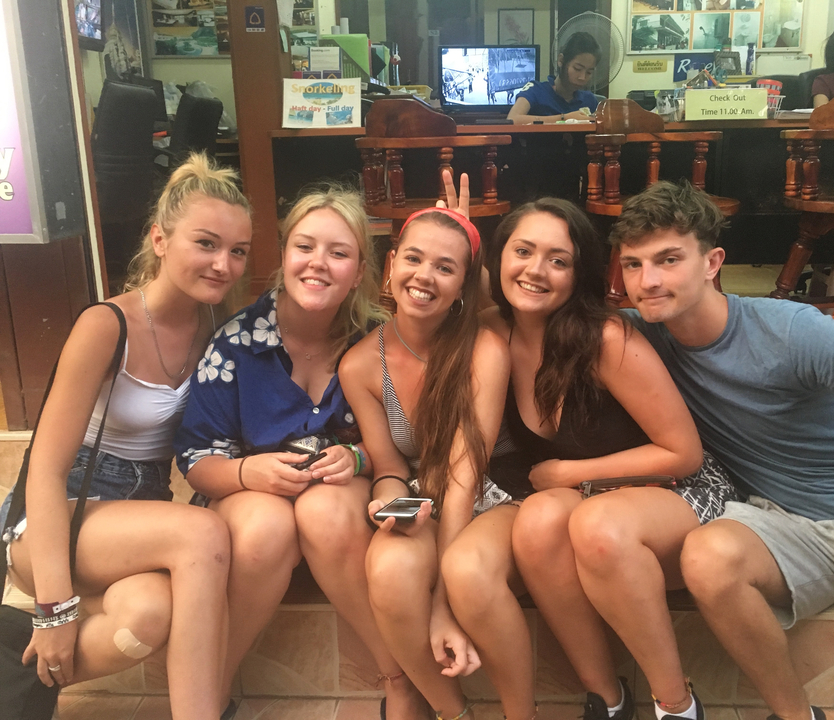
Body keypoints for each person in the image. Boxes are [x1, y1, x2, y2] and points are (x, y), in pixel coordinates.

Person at [610, 180, 834, 720]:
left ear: (712, 263)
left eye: (668, 259)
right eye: (633, 265)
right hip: (786, 527)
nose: (648, 281)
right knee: (708, 558)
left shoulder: (792, 330)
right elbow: (534, 317)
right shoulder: (634, 339)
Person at [0, 154, 252, 720]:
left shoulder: (219, 327)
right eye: (206, 244)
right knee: (200, 535)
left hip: (140, 514)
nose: (223, 264)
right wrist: (54, 608)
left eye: (238, 251)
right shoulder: (105, 325)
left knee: (148, 617)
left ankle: (17, 671)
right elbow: (43, 470)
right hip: (57, 516)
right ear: (159, 240)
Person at [173, 187, 423, 720]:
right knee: (266, 526)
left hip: (338, 503)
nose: (318, 263)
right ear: (284, 255)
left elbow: (407, 445)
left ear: (359, 272)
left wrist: (357, 458)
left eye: (339, 252)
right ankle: (211, 692)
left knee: (321, 511)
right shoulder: (235, 344)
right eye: (305, 246)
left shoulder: (380, 341)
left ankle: (399, 678)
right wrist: (247, 471)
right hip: (249, 500)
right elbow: (197, 460)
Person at [484, 198, 738, 720]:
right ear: (499, 257)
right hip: (591, 495)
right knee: (537, 522)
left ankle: (677, 705)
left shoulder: (605, 338)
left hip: (676, 487)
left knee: (597, 527)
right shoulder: (493, 333)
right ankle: (608, 699)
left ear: (580, 274)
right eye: (523, 251)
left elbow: (683, 453)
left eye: (558, 260)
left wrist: (568, 473)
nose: (535, 270)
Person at [340, 180, 533, 720]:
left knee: (469, 575)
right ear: (391, 265)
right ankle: (454, 712)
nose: (424, 276)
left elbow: (466, 473)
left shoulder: (483, 347)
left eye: (445, 268)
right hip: (429, 493)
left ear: (464, 286)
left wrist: (443, 604)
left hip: (496, 492)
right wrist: (386, 500)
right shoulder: (360, 365)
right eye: (414, 259)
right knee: (389, 570)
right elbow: (389, 466)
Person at [508, 32, 601, 124]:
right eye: (577, 69)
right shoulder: (535, 90)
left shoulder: (589, 100)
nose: (582, 77)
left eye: (589, 72)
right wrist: (564, 118)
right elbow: (513, 119)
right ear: (561, 60)